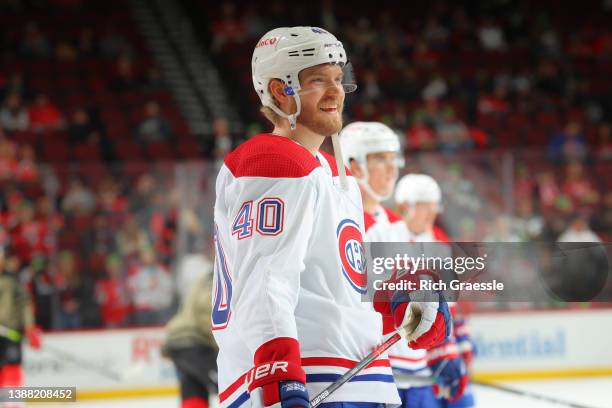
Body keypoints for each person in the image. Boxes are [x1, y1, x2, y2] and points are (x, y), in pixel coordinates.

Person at [212, 26, 450, 408]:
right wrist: (279, 375)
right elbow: (265, 280)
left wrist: (399, 303)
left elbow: (336, 288)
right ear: (279, 90)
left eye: (338, 79)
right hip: (310, 380)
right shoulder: (273, 160)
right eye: (318, 80)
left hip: (354, 377)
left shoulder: (331, 173)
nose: (336, 91)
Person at [340, 123, 467, 407]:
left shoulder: (397, 228)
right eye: (379, 159)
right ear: (354, 165)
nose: (392, 168)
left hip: (403, 370)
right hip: (359, 373)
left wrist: (443, 348)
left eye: (393, 158)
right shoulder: (338, 221)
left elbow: (423, 299)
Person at [395, 174, 476, 408]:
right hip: (401, 365)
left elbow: (450, 306)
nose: (431, 213)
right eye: (424, 206)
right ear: (405, 206)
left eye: (433, 206)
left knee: (464, 402)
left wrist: (462, 348)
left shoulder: (439, 243)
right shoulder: (388, 238)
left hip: (429, 363)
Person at [162, 271, 218, 408]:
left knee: (193, 389)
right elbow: (207, 314)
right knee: (230, 385)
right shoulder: (214, 282)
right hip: (193, 342)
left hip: (180, 341)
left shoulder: (203, 278)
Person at [0, 247, 42, 407]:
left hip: (10, 332)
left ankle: (12, 403)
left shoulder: (12, 280)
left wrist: (30, 328)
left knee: (12, 367)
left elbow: (25, 304)